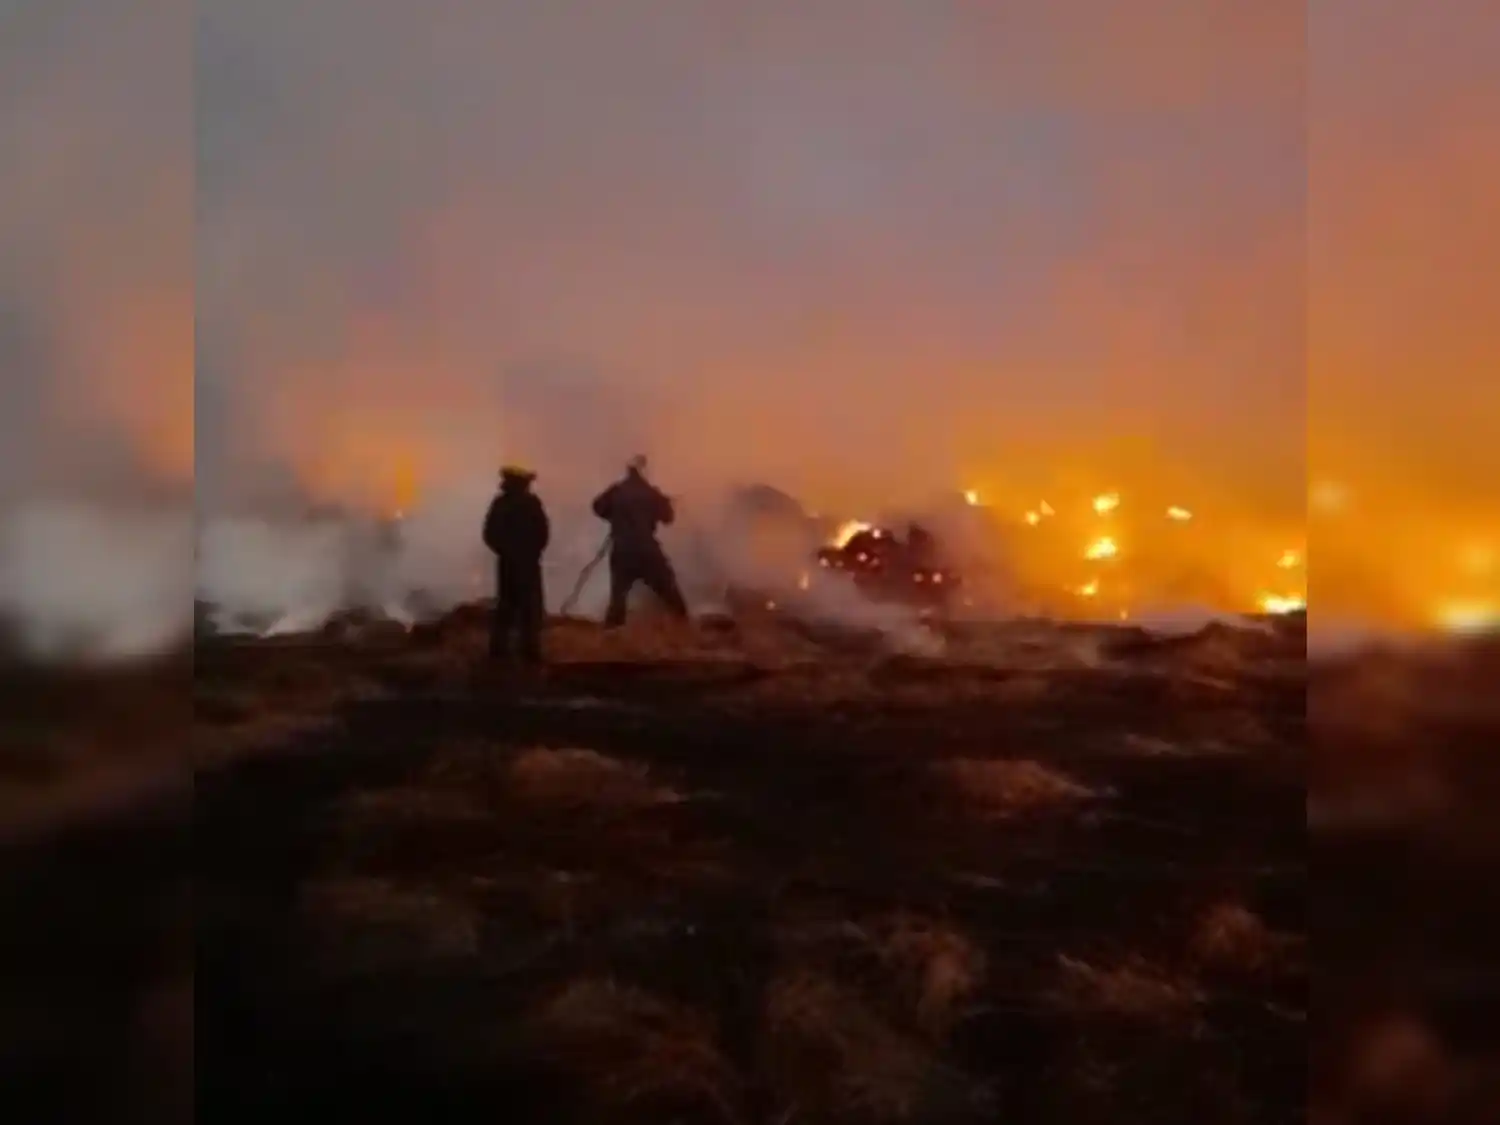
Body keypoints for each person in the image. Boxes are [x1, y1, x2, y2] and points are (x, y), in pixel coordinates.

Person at [591, 454, 689, 627]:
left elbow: (597, 507)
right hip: (646, 551)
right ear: (645, 470)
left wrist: (614, 517)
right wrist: (664, 502)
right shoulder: (651, 493)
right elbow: (668, 518)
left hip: (622, 551)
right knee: (668, 589)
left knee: (618, 597)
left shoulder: (616, 490)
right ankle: (684, 623)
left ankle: (613, 630)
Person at [481, 465, 550, 663]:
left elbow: (489, 534)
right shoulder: (531, 503)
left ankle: (499, 651)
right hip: (526, 563)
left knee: (507, 605)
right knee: (528, 607)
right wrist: (533, 552)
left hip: (509, 564)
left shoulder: (501, 504)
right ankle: (529, 651)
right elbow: (543, 532)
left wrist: (504, 551)